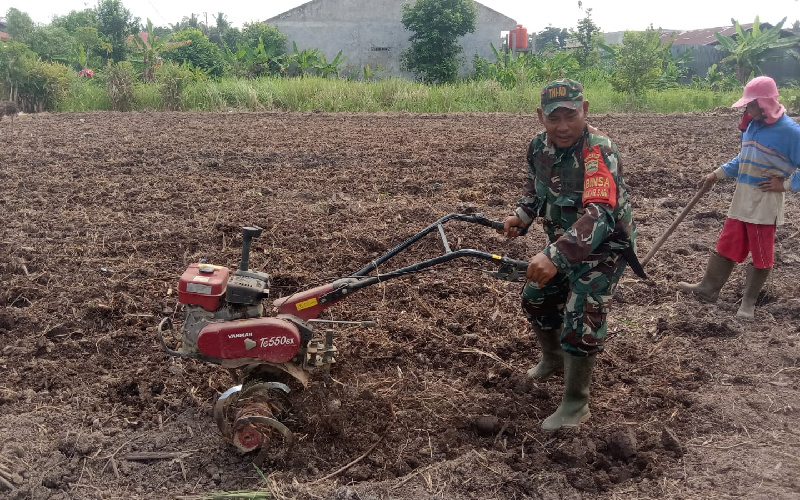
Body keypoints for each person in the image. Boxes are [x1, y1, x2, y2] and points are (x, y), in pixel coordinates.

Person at [500, 79, 643, 431]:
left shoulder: (598, 151)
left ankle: (576, 404)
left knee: (581, 316)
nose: (563, 126)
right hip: (562, 244)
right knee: (535, 297)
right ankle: (553, 359)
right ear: (541, 116)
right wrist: (523, 215)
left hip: (605, 248)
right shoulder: (539, 146)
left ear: (585, 110)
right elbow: (536, 187)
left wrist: (553, 255)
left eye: (571, 116)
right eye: (554, 118)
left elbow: (599, 215)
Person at [678, 76, 800, 319]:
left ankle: (748, 303)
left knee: (761, 252)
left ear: (765, 104)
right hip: (742, 197)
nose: (747, 109)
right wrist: (717, 173)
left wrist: (785, 184)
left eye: (752, 104)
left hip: (765, 202)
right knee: (728, 243)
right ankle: (708, 288)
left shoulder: (790, 132)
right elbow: (743, 158)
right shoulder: (752, 125)